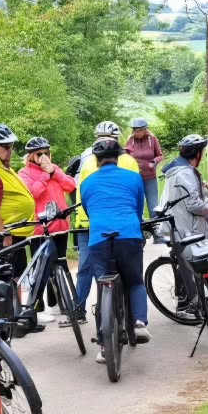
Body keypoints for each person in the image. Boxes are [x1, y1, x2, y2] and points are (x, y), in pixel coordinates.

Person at [79, 137, 150, 362]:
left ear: (97, 160)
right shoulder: (134, 177)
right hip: (128, 233)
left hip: (99, 238)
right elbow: (139, 209)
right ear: (118, 157)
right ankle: (139, 323)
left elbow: (90, 212)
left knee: (103, 288)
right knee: (135, 281)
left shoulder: (87, 182)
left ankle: (103, 346)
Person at [70, 121, 141, 322]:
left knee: (93, 271)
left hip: (94, 223)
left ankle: (90, 315)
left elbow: (82, 192)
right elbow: (135, 196)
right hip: (106, 224)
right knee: (97, 271)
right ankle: (82, 310)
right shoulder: (93, 158)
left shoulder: (91, 158)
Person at [18, 136, 78, 318]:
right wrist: (45, 175)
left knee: (61, 263)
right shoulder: (24, 173)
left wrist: (54, 172)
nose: (44, 156)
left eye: (47, 153)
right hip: (40, 228)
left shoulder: (54, 169)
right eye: (39, 154)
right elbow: (33, 193)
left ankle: (63, 302)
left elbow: (71, 185)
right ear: (31, 157)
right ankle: (37, 306)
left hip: (60, 225)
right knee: (41, 268)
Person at [160, 134, 208, 316]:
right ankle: (190, 305)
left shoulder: (178, 169)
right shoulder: (185, 173)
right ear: (198, 154)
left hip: (178, 225)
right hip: (186, 227)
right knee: (190, 266)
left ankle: (187, 303)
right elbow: (193, 205)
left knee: (183, 264)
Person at [0, 123, 37, 281]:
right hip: (4, 233)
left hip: (15, 230)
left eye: (11, 147)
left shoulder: (1, 165)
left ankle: (17, 305)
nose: (10, 151)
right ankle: (11, 306)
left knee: (18, 276)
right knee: (9, 278)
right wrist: (4, 234)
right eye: (6, 147)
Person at [124, 117, 164, 217]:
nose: (136, 132)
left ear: (145, 130)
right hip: (135, 178)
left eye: (138, 130)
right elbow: (125, 156)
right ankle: (139, 227)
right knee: (137, 205)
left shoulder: (152, 139)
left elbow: (160, 155)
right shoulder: (130, 140)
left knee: (153, 205)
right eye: (134, 130)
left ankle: (155, 227)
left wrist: (154, 162)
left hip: (150, 178)